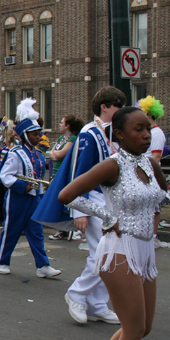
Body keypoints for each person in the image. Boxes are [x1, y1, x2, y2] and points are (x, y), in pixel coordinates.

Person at [59, 106, 167, 340]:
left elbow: (161, 197)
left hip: (145, 251)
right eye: (138, 129)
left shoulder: (150, 164)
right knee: (133, 328)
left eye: (147, 128)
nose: (146, 134)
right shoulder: (112, 165)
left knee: (143, 326)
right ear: (119, 134)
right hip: (119, 251)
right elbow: (68, 194)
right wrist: (107, 216)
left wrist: (156, 218)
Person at [33, 86, 125, 326]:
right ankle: (77, 293)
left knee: (109, 254)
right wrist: (79, 210)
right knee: (103, 254)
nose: (122, 109)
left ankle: (97, 304)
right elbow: (79, 173)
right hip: (92, 199)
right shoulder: (89, 133)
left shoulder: (113, 133)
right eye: (118, 104)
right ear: (104, 107)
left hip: (108, 200)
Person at [0, 99, 60, 278]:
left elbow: (39, 174)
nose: (39, 136)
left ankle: (43, 266)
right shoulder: (15, 153)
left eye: (39, 133)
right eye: (35, 133)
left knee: (36, 232)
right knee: (12, 231)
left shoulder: (38, 153)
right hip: (17, 198)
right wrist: (23, 185)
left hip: (34, 198)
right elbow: (4, 176)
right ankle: (1, 261)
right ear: (25, 135)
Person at [48, 114, 84, 240]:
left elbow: (60, 155)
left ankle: (69, 229)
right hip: (54, 172)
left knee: (64, 201)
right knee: (57, 202)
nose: (59, 124)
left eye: (61, 122)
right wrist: (55, 154)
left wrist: (55, 154)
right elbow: (52, 153)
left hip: (64, 173)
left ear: (68, 125)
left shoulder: (73, 138)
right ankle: (62, 230)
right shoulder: (61, 138)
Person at [0, 119, 20, 227]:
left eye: (3, 128)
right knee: (0, 196)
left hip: (9, 173)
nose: (1, 131)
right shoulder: (1, 141)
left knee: (8, 197)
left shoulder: (15, 142)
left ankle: (10, 219)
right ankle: (1, 217)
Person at [137, 96, 166, 163]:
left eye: (143, 113)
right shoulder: (148, 131)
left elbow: (156, 156)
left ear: (150, 115)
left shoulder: (157, 133)